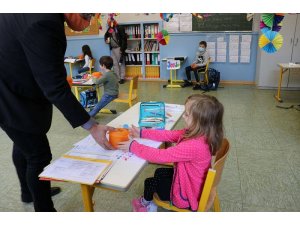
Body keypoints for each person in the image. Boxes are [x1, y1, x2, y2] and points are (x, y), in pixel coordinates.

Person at [0, 13, 115, 212]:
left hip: (14, 86)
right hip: (8, 95)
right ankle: (44, 210)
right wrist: (92, 126)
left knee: (24, 143)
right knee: (38, 155)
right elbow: (55, 87)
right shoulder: (44, 21)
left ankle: (29, 192)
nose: (88, 24)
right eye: (86, 16)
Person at [118, 94, 224, 212]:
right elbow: (169, 135)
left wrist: (133, 146)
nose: (183, 116)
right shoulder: (200, 133)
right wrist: (142, 133)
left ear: (200, 121)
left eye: (187, 115)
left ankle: (146, 206)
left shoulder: (194, 146)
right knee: (159, 172)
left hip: (188, 195)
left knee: (149, 182)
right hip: (193, 183)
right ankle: (149, 202)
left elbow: (160, 156)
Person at [104, 17, 127, 84]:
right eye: (108, 23)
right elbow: (106, 35)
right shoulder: (110, 29)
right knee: (115, 64)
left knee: (121, 63)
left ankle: (122, 78)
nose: (109, 24)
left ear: (113, 22)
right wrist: (106, 39)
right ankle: (118, 78)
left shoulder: (119, 28)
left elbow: (123, 39)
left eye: (109, 23)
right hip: (113, 48)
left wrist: (122, 49)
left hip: (119, 48)